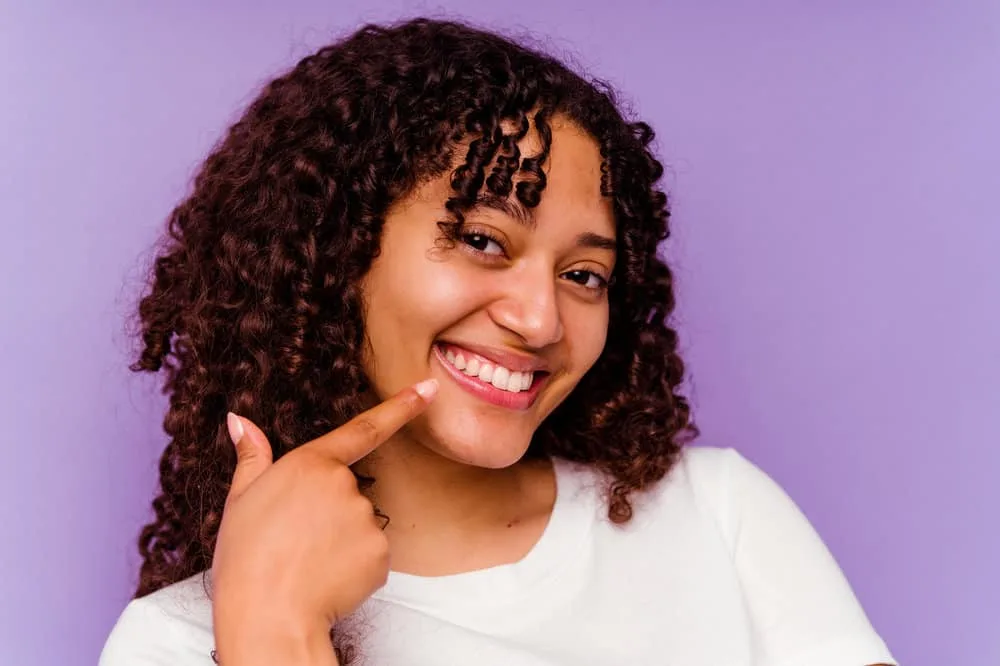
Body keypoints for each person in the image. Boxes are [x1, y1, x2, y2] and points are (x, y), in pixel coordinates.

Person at [99, 17, 896, 666]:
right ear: (334, 250)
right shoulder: (179, 641)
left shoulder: (715, 517)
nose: (542, 320)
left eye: (585, 275)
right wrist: (274, 631)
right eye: (483, 240)